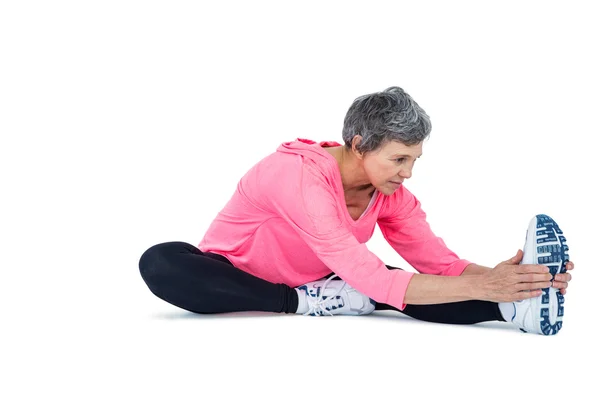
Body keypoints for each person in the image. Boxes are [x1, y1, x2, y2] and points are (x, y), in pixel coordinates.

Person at [138, 86, 574, 335]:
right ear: (359, 144)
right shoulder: (299, 177)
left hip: (331, 277)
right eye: (399, 159)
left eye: (414, 160)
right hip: (233, 277)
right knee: (161, 260)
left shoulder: (388, 192)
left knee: (403, 285)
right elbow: (375, 279)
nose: (408, 173)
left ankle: (515, 310)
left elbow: (438, 264)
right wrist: (488, 283)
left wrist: (510, 282)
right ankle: (299, 304)